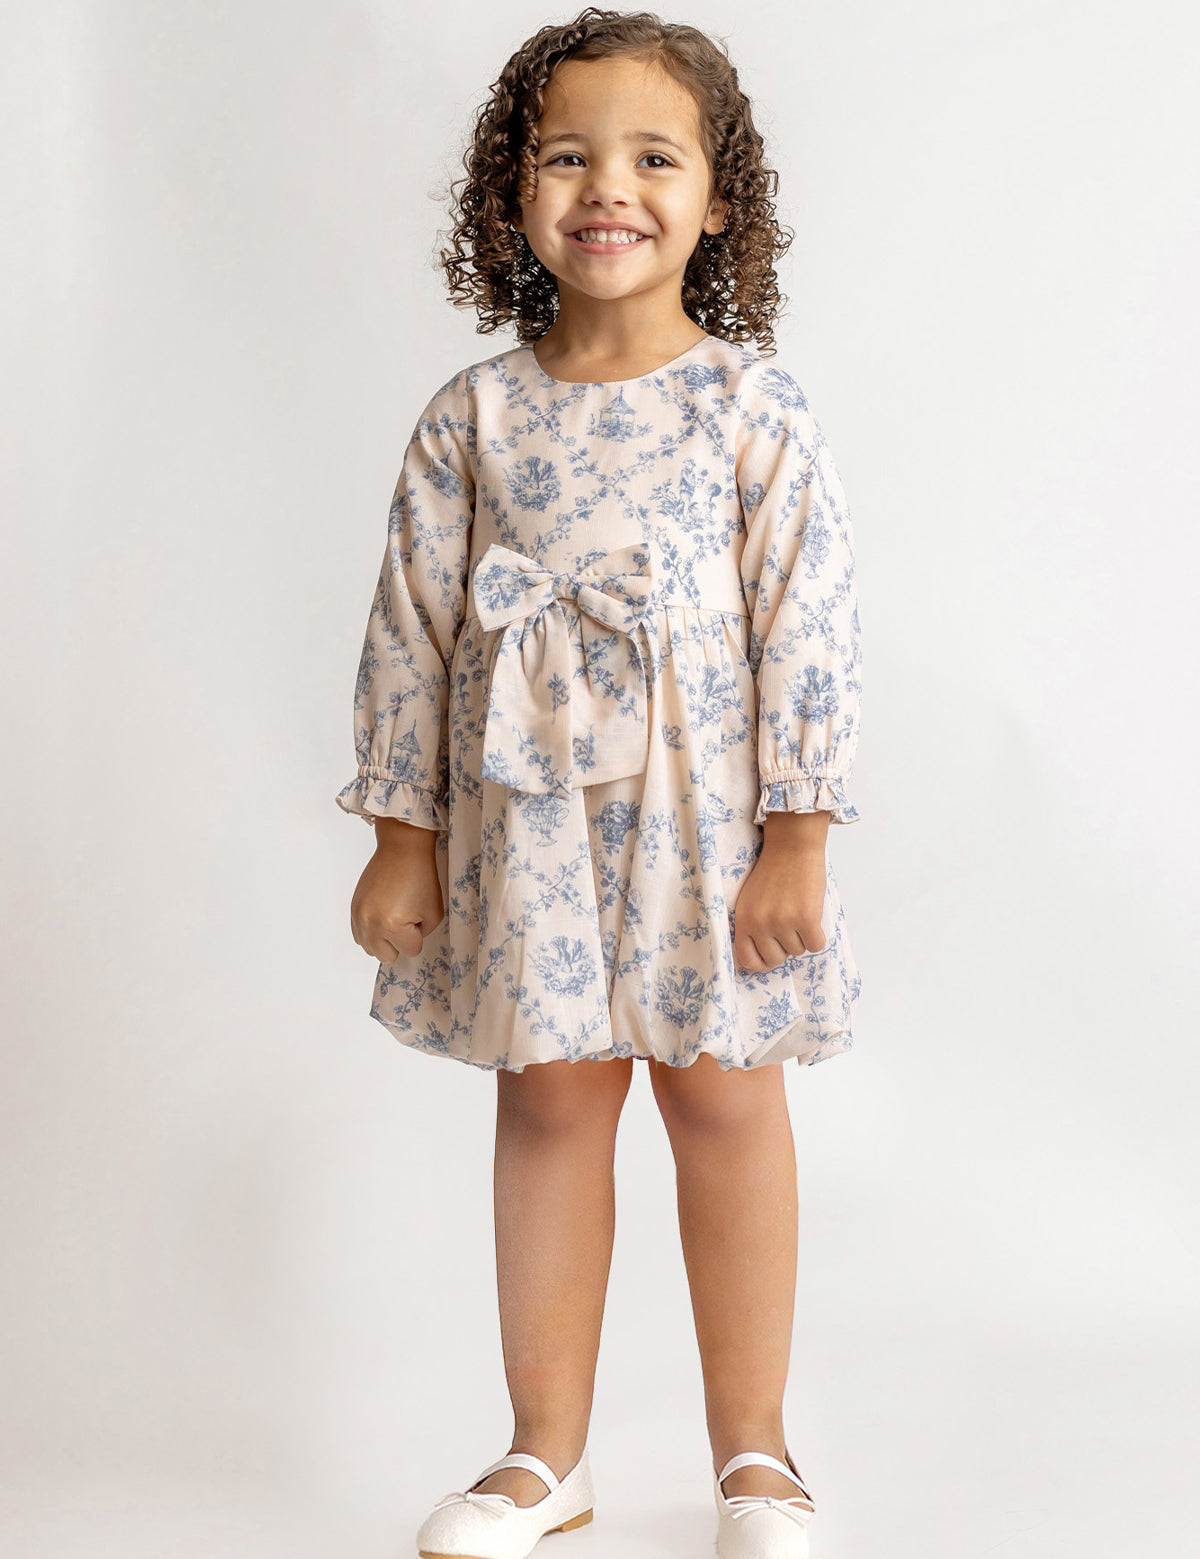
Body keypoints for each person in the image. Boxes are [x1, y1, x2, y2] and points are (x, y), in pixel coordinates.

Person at [335, 10, 864, 1558]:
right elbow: (412, 631)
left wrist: (799, 840)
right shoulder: (473, 418)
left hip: (710, 833)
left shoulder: (753, 412)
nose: (607, 187)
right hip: (533, 831)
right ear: (513, 196)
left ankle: (755, 1458)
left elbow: (809, 630)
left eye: (653, 156)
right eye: (566, 157)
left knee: (724, 1107)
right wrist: (398, 837)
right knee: (552, 1105)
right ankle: (543, 1457)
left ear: (718, 201)